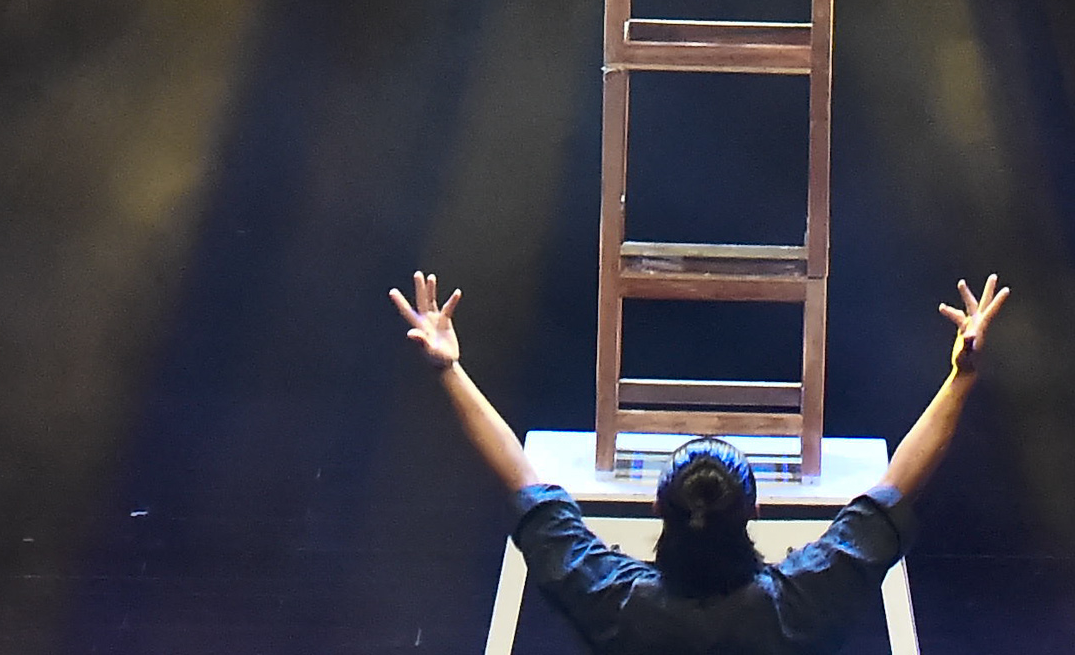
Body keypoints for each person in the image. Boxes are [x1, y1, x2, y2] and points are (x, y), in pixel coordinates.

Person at [390, 267, 1007, 649]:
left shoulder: (616, 605)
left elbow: (523, 484)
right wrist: (960, 378)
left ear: (659, 508)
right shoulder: (799, 605)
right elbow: (895, 490)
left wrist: (450, 372)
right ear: (756, 509)